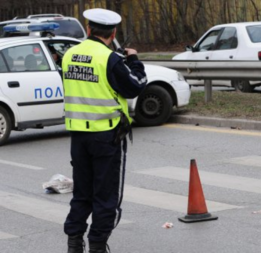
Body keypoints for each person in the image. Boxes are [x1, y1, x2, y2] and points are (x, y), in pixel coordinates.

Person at [62, 8, 147, 253]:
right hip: (106, 135)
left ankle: (74, 244)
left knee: (82, 193)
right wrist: (133, 60)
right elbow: (135, 86)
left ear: (88, 29)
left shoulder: (70, 54)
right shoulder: (109, 58)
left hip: (78, 135)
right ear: (113, 33)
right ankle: (97, 245)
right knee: (106, 195)